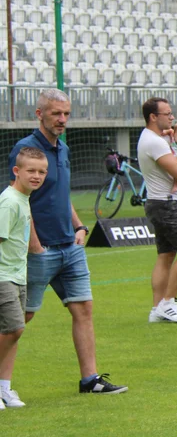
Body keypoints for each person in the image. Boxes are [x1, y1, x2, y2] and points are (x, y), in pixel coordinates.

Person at [4, 90, 126, 400]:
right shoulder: (24, 150)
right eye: (56, 113)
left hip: (70, 247)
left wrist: (79, 226)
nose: (62, 120)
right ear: (39, 114)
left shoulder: (64, 149)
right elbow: (20, 198)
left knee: (83, 309)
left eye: (66, 114)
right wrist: (34, 244)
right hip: (39, 250)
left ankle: (90, 379)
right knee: (19, 320)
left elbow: (62, 195)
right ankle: (3, 387)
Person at [139, 98, 177, 324]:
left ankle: (157, 308)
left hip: (158, 202)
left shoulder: (155, 138)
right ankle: (168, 302)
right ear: (153, 117)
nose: (172, 117)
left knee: (165, 256)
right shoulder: (154, 142)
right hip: (168, 204)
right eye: (167, 113)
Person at [0, 147, 48, 411]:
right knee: (14, 329)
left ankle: (4, 388)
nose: (36, 176)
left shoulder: (24, 198)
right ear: (16, 171)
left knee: (12, 334)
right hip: (3, 276)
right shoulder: (8, 201)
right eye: (31, 170)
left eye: (42, 172)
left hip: (18, 276)